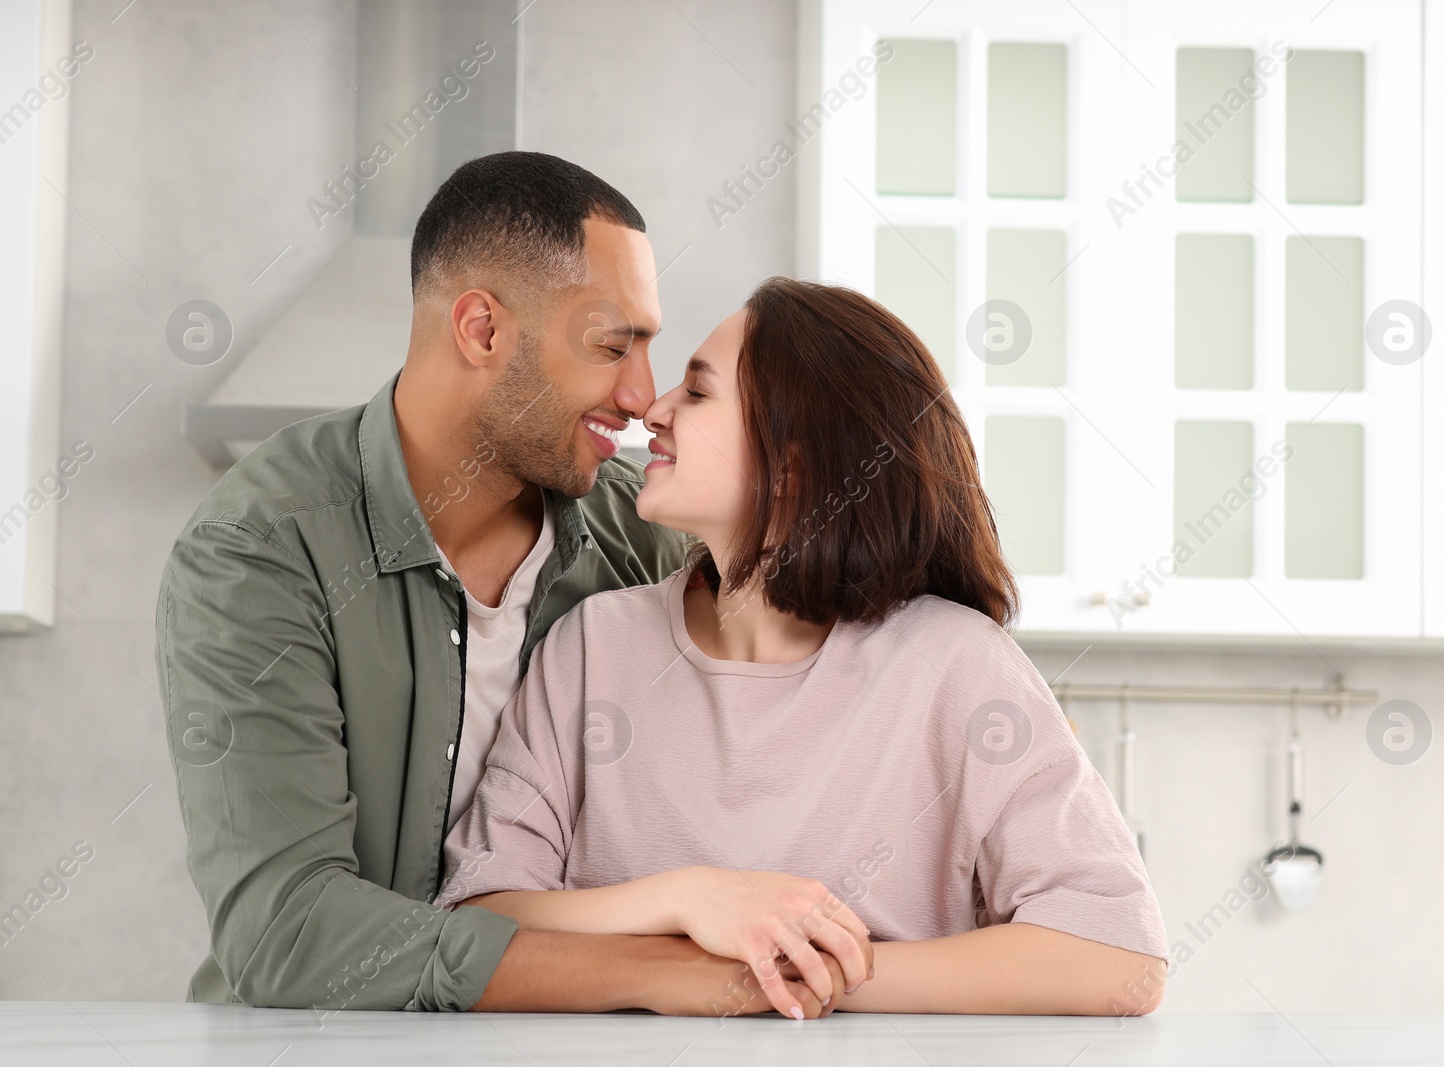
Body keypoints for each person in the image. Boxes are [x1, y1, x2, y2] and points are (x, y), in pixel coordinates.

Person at [155, 152, 864, 1016]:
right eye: (614, 345)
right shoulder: (262, 549)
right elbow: (288, 932)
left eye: (651, 347)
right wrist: (658, 971)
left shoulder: (635, 537)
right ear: (482, 330)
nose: (645, 396)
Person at [432, 278, 1170, 1017]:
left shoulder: (955, 665)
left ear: (790, 465)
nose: (653, 411)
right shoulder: (591, 647)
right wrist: (689, 899)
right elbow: (480, 913)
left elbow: (1117, 954)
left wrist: (797, 969)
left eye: (697, 391)